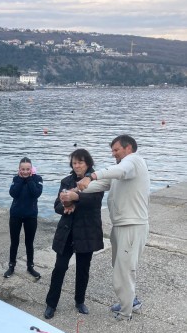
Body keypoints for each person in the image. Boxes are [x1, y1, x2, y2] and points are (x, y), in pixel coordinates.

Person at [77, 135, 150, 321]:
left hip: (132, 225)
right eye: (112, 150)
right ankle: (131, 301)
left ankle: (126, 313)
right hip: (121, 225)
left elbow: (118, 170)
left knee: (124, 270)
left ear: (128, 148)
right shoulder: (122, 172)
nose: (113, 154)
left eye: (116, 150)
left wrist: (90, 175)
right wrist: (76, 190)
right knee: (120, 266)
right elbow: (102, 184)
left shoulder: (133, 161)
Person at [44, 149, 104, 319]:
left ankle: (79, 301)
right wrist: (65, 207)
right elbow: (57, 205)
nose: (77, 166)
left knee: (83, 269)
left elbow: (95, 201)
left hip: (86, 231)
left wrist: (74, 198)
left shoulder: (96, 181)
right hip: (67, 231)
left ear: (88, 163)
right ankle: (51, 303)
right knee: (59, 268)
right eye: (74, 163)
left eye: (80, 162)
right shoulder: (66, 181)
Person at [4, 157, 43, 279]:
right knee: (14, 242)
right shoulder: (16, 179)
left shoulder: (37, 179)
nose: (25, 171)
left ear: (31, 169)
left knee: (29, 242)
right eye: (23, 169)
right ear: (19, 169)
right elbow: (13, 193)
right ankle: (11, 266)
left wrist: (30, 179)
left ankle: (30, 266)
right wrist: (21, 180)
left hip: (30, 216)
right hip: (15, 215)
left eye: (27, 169)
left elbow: (36, 193)